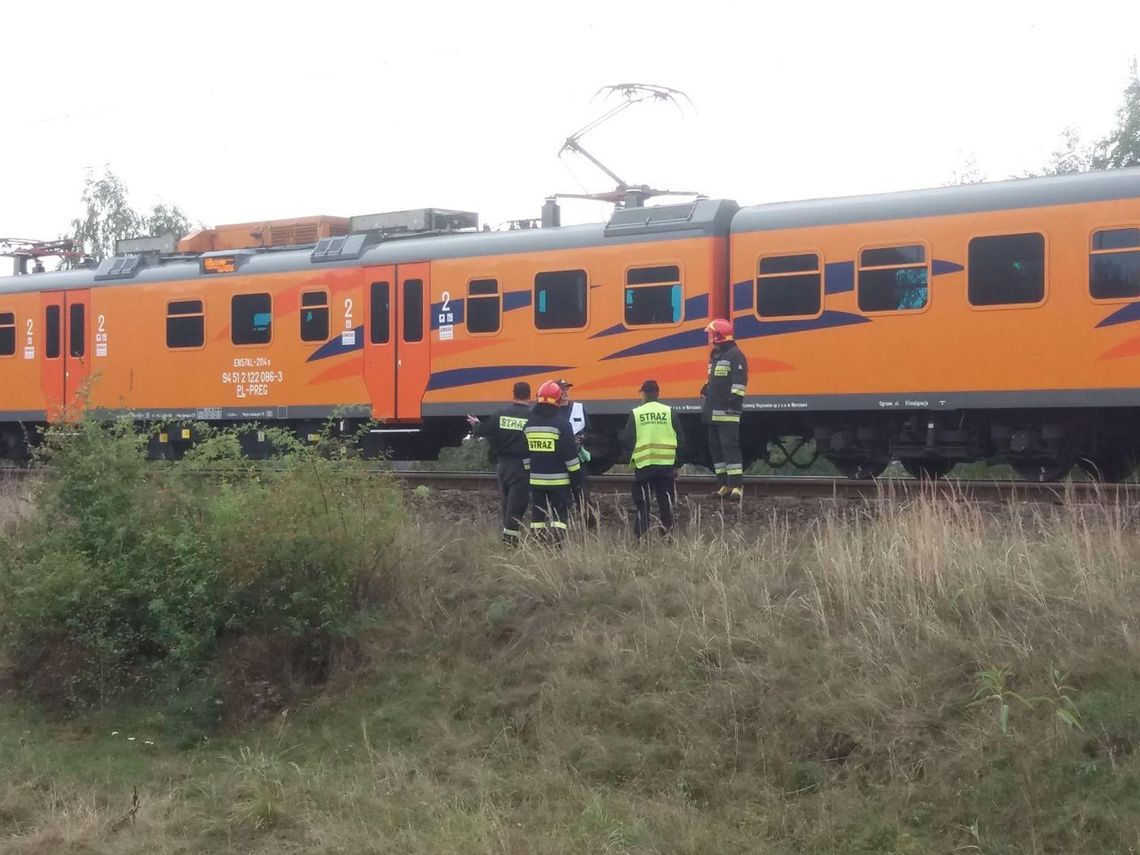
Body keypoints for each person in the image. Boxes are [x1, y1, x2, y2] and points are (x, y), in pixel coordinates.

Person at [467, 381, 532, 546]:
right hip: (521, 466)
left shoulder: (501, 414)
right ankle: (510, 545)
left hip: (503, 466)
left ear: (513, 394)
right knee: (516, 507)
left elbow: (484, 430)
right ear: (530, 396)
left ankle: (507, 538)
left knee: (506, 503)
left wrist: (476, 423)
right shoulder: (532, 416)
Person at [621, 379, 685, 538]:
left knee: (643, 503)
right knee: (666, 503)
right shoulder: (670, 412)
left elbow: (628, 440)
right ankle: (668, 536)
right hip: (666, 466)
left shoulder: (636, 413)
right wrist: (678, 463)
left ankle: (641, 537)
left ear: (643, 394)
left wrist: (631, 460)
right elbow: (681, 440)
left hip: (644, 465)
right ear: (658, 393)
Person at [525, 380, 584, 543]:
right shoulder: (562, 424)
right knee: (559, 515)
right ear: (557, 400)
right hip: (559, 481)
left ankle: (537, 544)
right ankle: (556, 546)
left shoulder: (530, 423)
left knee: (537, 515)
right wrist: (576, 479)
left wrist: (529, 471)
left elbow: (524, 453)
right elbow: (570, 457)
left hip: (535, 480)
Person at [701, 318, 748, 499]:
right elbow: (713, 378)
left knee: (730, 449)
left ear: (720, 336)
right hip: (712, 412)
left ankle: (736, 486)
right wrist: (706, 386)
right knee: (716, 449)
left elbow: (739, 382)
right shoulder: (716, 355)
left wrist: (734, 403)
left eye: (713, 335)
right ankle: (723, 485)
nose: (711, 338)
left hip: (728, 413)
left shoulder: (736, 355)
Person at [555, 378, 594, 525]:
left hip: (578, 459)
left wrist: (582, 438)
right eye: (562, 389)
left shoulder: (578, 408)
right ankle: (562, 523)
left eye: (566, 389)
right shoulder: (551, 411)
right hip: (558, 460)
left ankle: (588, 525)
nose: (565, 392)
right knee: (561, 495)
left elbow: (589, 431)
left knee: (583, 494)